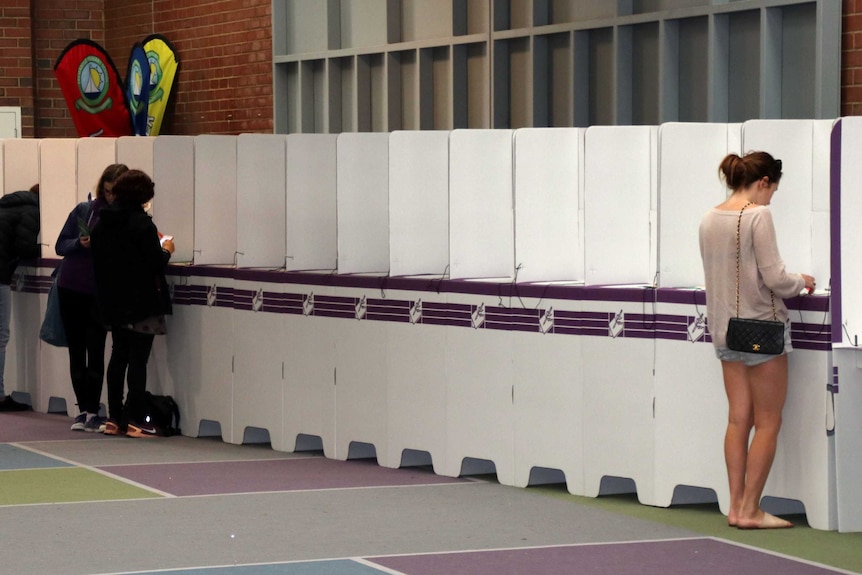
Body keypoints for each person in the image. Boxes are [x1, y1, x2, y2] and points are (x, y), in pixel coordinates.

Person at [699, 152, 816, 530]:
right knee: (768, 421)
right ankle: (751, 509)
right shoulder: (757, 215)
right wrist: (803, 281)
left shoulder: (709, 217)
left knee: (738, 419)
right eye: (773, 191)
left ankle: (735, 507)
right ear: (764, 181)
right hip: (762, 329)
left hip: (723, 329)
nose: (770, 200)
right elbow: (776, 280)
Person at [90, 170, 174, 437]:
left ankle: (114, 418)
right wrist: (167, 249)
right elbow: (154, 262)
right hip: (142, 302)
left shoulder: (102, 223)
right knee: (139, 360)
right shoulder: (141, 224)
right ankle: (136, 419)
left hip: (113, 301)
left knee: (118, 356)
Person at [55, 164, 129, 431]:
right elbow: (60, 244)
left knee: (96, 350)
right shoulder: (84, 210)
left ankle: (94, 410)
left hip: (99, 291)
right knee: (77, 350)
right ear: (101, 189)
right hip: (71, 287)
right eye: (107, 191)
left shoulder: (125, 217)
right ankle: (83, 409)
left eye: (115, 193)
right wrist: (79, 244)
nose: (110, 197)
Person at [0, 184, 40, 412]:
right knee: (1, 335)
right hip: (0, 276)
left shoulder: (5, 206)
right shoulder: (31, 211)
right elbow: (25, 247)